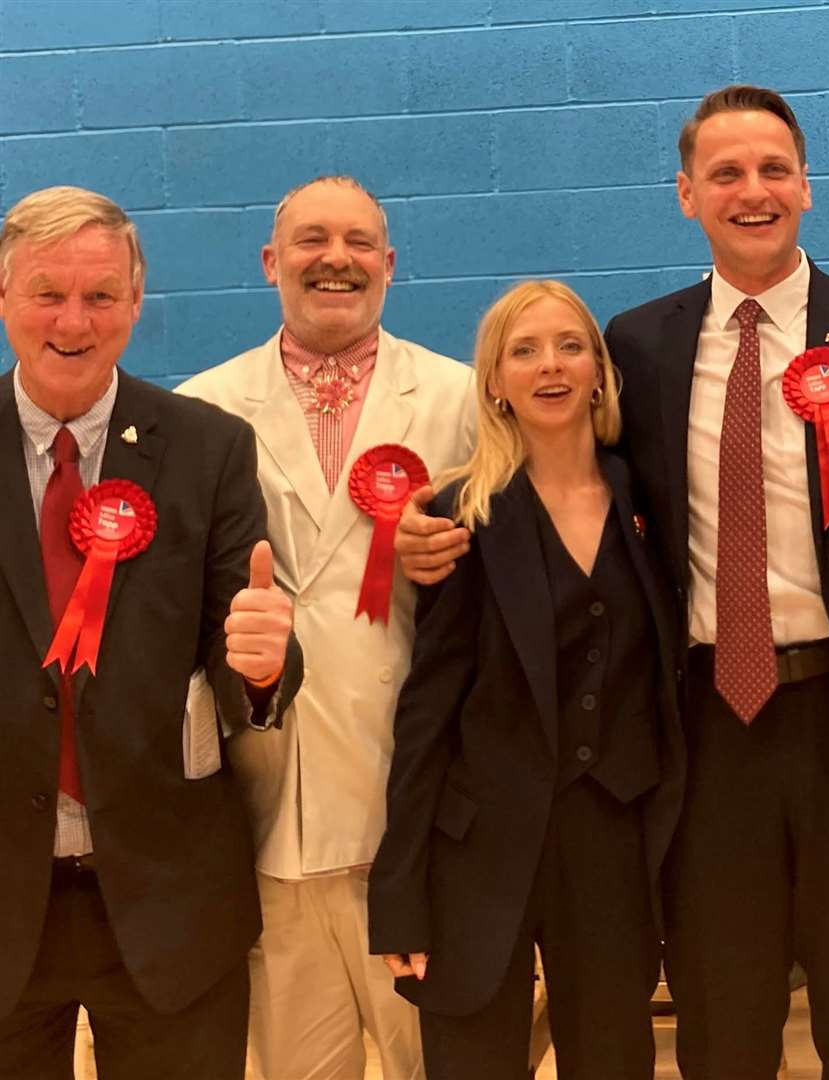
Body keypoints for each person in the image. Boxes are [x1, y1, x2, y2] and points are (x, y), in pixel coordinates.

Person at [396, 84, 829, 1079]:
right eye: (724, 172)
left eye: (772, 168)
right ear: (686, 194)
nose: (751, 189)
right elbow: (556, 480)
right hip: (702, 725)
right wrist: (427, 534)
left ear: (805, 185)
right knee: (722, 1022)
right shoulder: (635, 345)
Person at [177, 175, 476, 1080]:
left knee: (439, 1061)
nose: (334, 258)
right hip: (276, 813)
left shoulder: (464, 400)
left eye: (357, 242)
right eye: (310, 240)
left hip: (421, 816)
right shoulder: (201, 411)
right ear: (272, 263)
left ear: (389, 265)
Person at [0, 185, 300, 1079]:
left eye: (100, 295)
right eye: (47, 293)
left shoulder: (208, 448)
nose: (73, 320)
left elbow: (244, 642)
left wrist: (262, 667)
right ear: (4, 296)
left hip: (170, 901)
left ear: (136, 302)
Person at [368, 280, 683, 1079]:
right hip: (477, 849)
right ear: (494, 383)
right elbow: (427, 710)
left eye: (570, 345)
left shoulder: (652, 501)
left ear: (599, 371)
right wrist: (401, 892)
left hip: (611, 842)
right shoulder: (457, 514)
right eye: (525, 350)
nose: (551, 366)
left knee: (614, 1057)